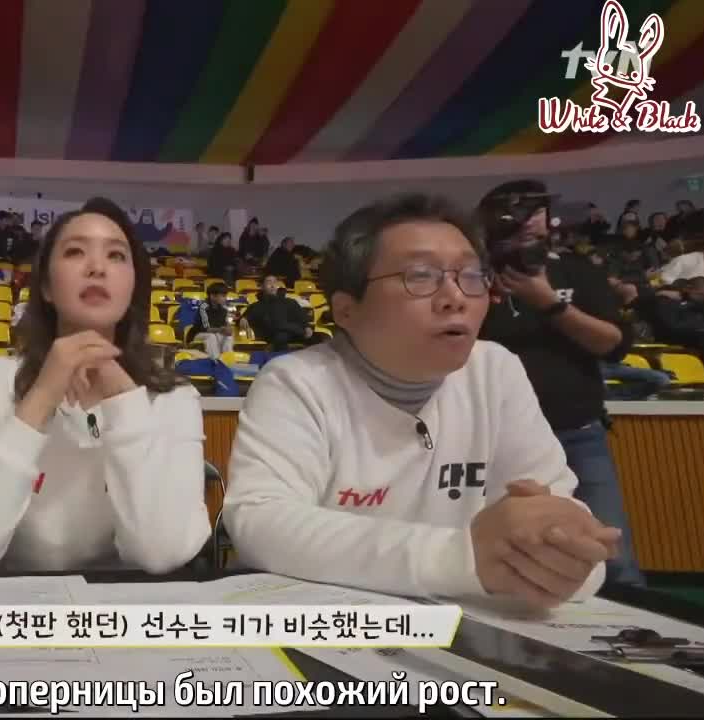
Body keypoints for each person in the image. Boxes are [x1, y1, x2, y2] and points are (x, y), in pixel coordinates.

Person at [225, 193, 619, 609]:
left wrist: (563, 555)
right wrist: (462, 557)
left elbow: (564, 524)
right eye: (420, 276)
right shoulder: (298, 381)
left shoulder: (495, 370)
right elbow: (261, 523)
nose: (455, 297)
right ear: (346, 310)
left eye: (472, 275)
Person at [0, 197, 210, 574]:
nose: (97, 268)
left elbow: (162, 555)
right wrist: (41, 396)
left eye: (116, 256)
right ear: (45, 286)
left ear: (133, 286)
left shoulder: (174, 399)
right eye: (75, 252)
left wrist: (125, 400)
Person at [477, 179, 644, 588]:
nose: (527, 221)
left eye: (535, 210)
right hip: (490, 439)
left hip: (577, 432)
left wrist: (549, 303)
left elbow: (613, 344)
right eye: (514, 211)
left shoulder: (576, 270)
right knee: (496, 553)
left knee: (611, 558)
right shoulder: (472, 276)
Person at [240, 274, 316, 353]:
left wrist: (307, 327)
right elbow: (245, 317)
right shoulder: (257, 306)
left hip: (295, 333)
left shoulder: (290, 302)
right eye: (269, 282)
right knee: (281, 337)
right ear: (262, 286)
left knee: (316, 337)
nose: (272, 285)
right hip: (275, 336)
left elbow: (301, 317)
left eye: (274, 282)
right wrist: (243, 319)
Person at [192, 283, 235, 360]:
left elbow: (226, 325)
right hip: (199, 334)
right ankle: (215, 361)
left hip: (217, 333)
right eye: (223, 296)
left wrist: (228, 330)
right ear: (212, 296)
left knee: (228, 337)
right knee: (211, 336)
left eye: (225, 296)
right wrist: (220, 330)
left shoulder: (224, 309)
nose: (225, 298)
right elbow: (206, 329)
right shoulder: (203, 307)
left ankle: (227, 361)